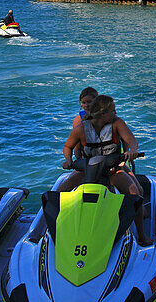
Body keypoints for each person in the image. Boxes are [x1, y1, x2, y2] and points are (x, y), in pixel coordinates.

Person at [59, 95, 149, 243]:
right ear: (102, 114)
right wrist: (68, 160)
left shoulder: (117, 123)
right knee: (58, 193)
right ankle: (46, 232)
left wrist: (132, 150)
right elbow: (67, 146)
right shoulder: (81, 128)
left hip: (112, 170)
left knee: (134, 192)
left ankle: (142, 235)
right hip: (87, 170)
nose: (115, 113)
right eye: (112, 111)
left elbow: (131, 140)